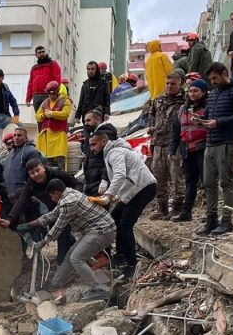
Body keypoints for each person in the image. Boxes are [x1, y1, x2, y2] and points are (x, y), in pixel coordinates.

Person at [21, 180, 115, 301]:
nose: (51, 199)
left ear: (57, 193)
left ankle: (98, 289)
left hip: (103, 231)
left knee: (76, 258)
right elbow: (51, 215)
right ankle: (54, 284)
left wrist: (43, 242)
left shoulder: (68, 202)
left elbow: (58, 227)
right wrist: (29, 225)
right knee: (70, 255)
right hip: (94, 230)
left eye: (51, 196)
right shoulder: (68, 194)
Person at [90, 128, 157, 271]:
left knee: (125, 226)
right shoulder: (111, 153)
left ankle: (131, 264)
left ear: (104, 141)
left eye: (94, 144)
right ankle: (120, 255)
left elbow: (120, 175)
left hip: (143, 188)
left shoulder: (114, 153)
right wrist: (115, 195)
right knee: (114, 218)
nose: (91, 149)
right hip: (136, 190)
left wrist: (108, 196)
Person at [198, 62, 233, 236]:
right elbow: (208, 114)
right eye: (210, 79)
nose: (212, 82)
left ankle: (226, 221)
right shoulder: (213, 94)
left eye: (214, 78)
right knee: (208, 183)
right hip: (210, 143)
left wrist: (219, 122)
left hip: (227, 142)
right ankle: (211, 219)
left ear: (224, 73)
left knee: (226, 182)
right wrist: (199, 119)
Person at [1, 158, 78, 264]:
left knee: (61, 234)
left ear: (44, 168)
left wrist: (75, 199)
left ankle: (62, 264)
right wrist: (9, 219)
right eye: (32, 173)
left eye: (38, 170)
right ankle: (75, 249)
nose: (36, 174)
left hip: (70, 207)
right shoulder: (31, 185)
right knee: (56, 231)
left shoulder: (57, 173)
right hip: (53, 210)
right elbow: (21, 202)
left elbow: (76, 183)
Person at [147, 72, 187, 220]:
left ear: (180, 84)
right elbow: (151, 115)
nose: (169, 86)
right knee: (159, 176)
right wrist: (151, 127)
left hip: (175, 142)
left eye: (173, 84)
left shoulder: (184, 101)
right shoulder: (158, 99)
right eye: (168, 83)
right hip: (157, 142)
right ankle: (162, 208)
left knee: (177, 176)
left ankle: (177, 208)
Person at [169, 78, 210, 222]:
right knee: (190, 182)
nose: (192, 94)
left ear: (203, 92)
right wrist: (172, 149)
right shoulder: (182, 109)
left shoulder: (209, 107)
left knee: (207, 182)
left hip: (203, 148)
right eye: (190, 91)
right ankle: (186, 212)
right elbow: (176, 130)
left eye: (196, 91)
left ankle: (211, 213)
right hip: (187, 149)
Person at [35, 81, 71, 170]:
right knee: (48, 161)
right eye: (49, 94)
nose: (51, 96)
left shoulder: (65, 101)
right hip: (47, 136)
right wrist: (43, 115)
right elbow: (37, 117)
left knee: (60, 160)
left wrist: (52, 114)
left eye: (53, 93)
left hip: (59, 134)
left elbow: (65, 114)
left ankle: (62, 178)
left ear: (57, 91)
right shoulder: (44, 103)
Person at [3, 126, 43, 201]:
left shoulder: (32, 151)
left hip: (25, 197)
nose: (16, 137)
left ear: (26, 138)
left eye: (19, 135)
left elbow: (36, 177)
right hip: (10, 196)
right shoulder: (11, 152)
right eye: (14, 135)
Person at [80, 111, 113, 196]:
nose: (85, 124)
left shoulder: (106, 134)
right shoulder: (93, 134)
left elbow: (110, 158)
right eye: (84, 121)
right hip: (91, 182)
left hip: (99, 183)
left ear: (98, 120)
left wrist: (104, 180)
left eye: (88, 120)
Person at [25, 45, 62, 112]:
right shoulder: (34, 68)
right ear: (36, 55)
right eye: (39, 52)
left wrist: (54, 92)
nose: (42, 53)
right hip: (36, 96)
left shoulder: (53, 64)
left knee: (49, 117)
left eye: (43, 52)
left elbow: (57, 79)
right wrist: (28, 98)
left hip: (48, 95)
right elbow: (30, 83)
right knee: (39, 118)